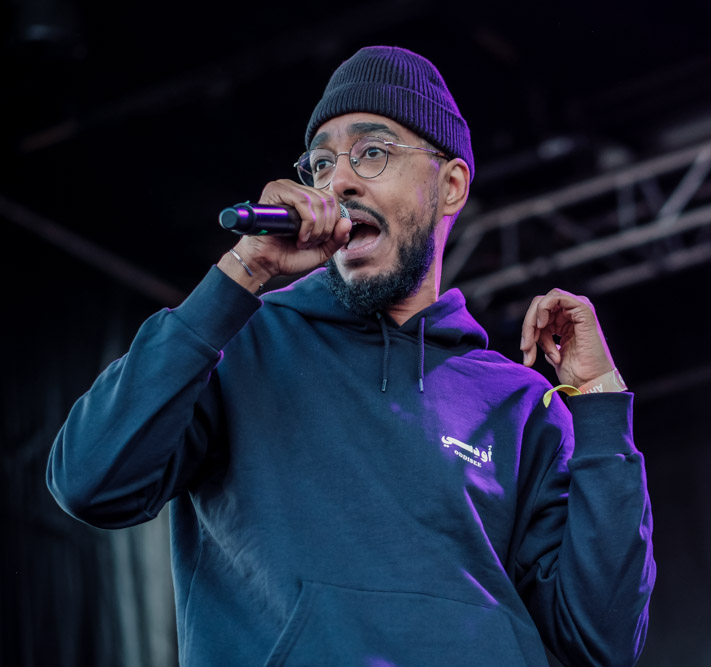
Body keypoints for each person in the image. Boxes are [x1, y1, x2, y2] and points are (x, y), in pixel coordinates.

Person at [47, 46, 655, 666]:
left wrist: (600, 400)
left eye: (372, 152)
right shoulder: (239, 343)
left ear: (449, 186)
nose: (340, 180)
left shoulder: (518, 404)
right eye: (322, 163)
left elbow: (598, 641)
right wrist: (244, 271)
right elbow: (92, 481)